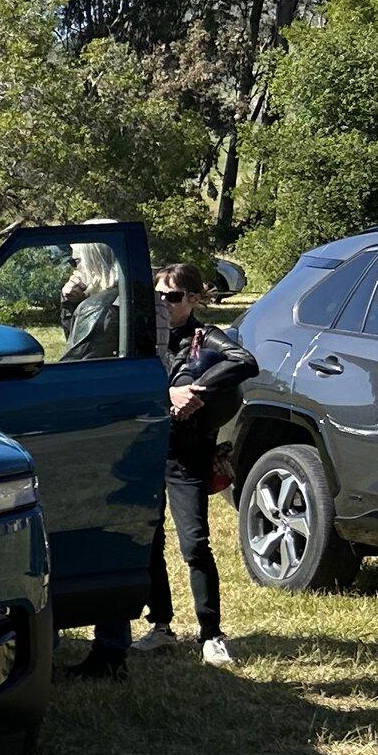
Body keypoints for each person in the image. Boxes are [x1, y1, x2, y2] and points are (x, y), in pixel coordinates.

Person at [133, 263, 257, 667]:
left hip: (187, 455)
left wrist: (197, 389)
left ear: (193, 299)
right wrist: (171, 391)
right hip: (148, 449)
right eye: (158, 296)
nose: (163, 304)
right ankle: (161, 626)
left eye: (172, 297)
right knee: (149, 541)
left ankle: (211, 633)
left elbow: (244, 361)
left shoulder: (206, 339)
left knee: (195, 544)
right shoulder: (143, 337)